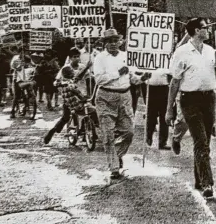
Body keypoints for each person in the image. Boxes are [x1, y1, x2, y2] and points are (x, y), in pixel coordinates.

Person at [165, 18, 216, 199]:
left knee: (205, 141)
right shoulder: (182, 52)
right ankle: (207, 183)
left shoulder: (211, 51)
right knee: (201, 141)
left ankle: (199, 178)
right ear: (196, 31)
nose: (208, 30)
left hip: (209, 98)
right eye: (205, 28)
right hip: (190, 100)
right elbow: (174, 82)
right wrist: (169, 109)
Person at [94, 29, 150, 180]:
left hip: (125, 96)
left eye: (115, 40)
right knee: (108, 133)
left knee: (128, 132)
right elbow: (99, 80)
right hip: (106, 97)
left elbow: (133, 79)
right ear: (105, 43)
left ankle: (117, 155)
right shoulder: (100, 58)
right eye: (109, 41)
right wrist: (117, 73)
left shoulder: (126, 56)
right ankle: (114, 167)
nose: (113, 44)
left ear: (120, 41)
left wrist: (143, 78)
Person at [44, 47, 94, 144]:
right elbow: (58, 80)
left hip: (82, 94)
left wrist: (90, 92)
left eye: (78, 56)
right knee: (65, 118)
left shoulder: (82, 66)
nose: (76, 59)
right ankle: (52, 132)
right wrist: (59, 84)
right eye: (74, 57)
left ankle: (87, 131)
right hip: (70, 98)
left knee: (89, 113)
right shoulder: (66, 68)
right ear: (70, 58)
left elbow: (88, 79)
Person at [145, 67, 171, 150]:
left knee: (164, 116)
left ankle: (162, 142)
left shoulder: (166, 59)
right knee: (151, 114)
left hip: (164, 87)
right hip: (151, 87)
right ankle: (148, 136)